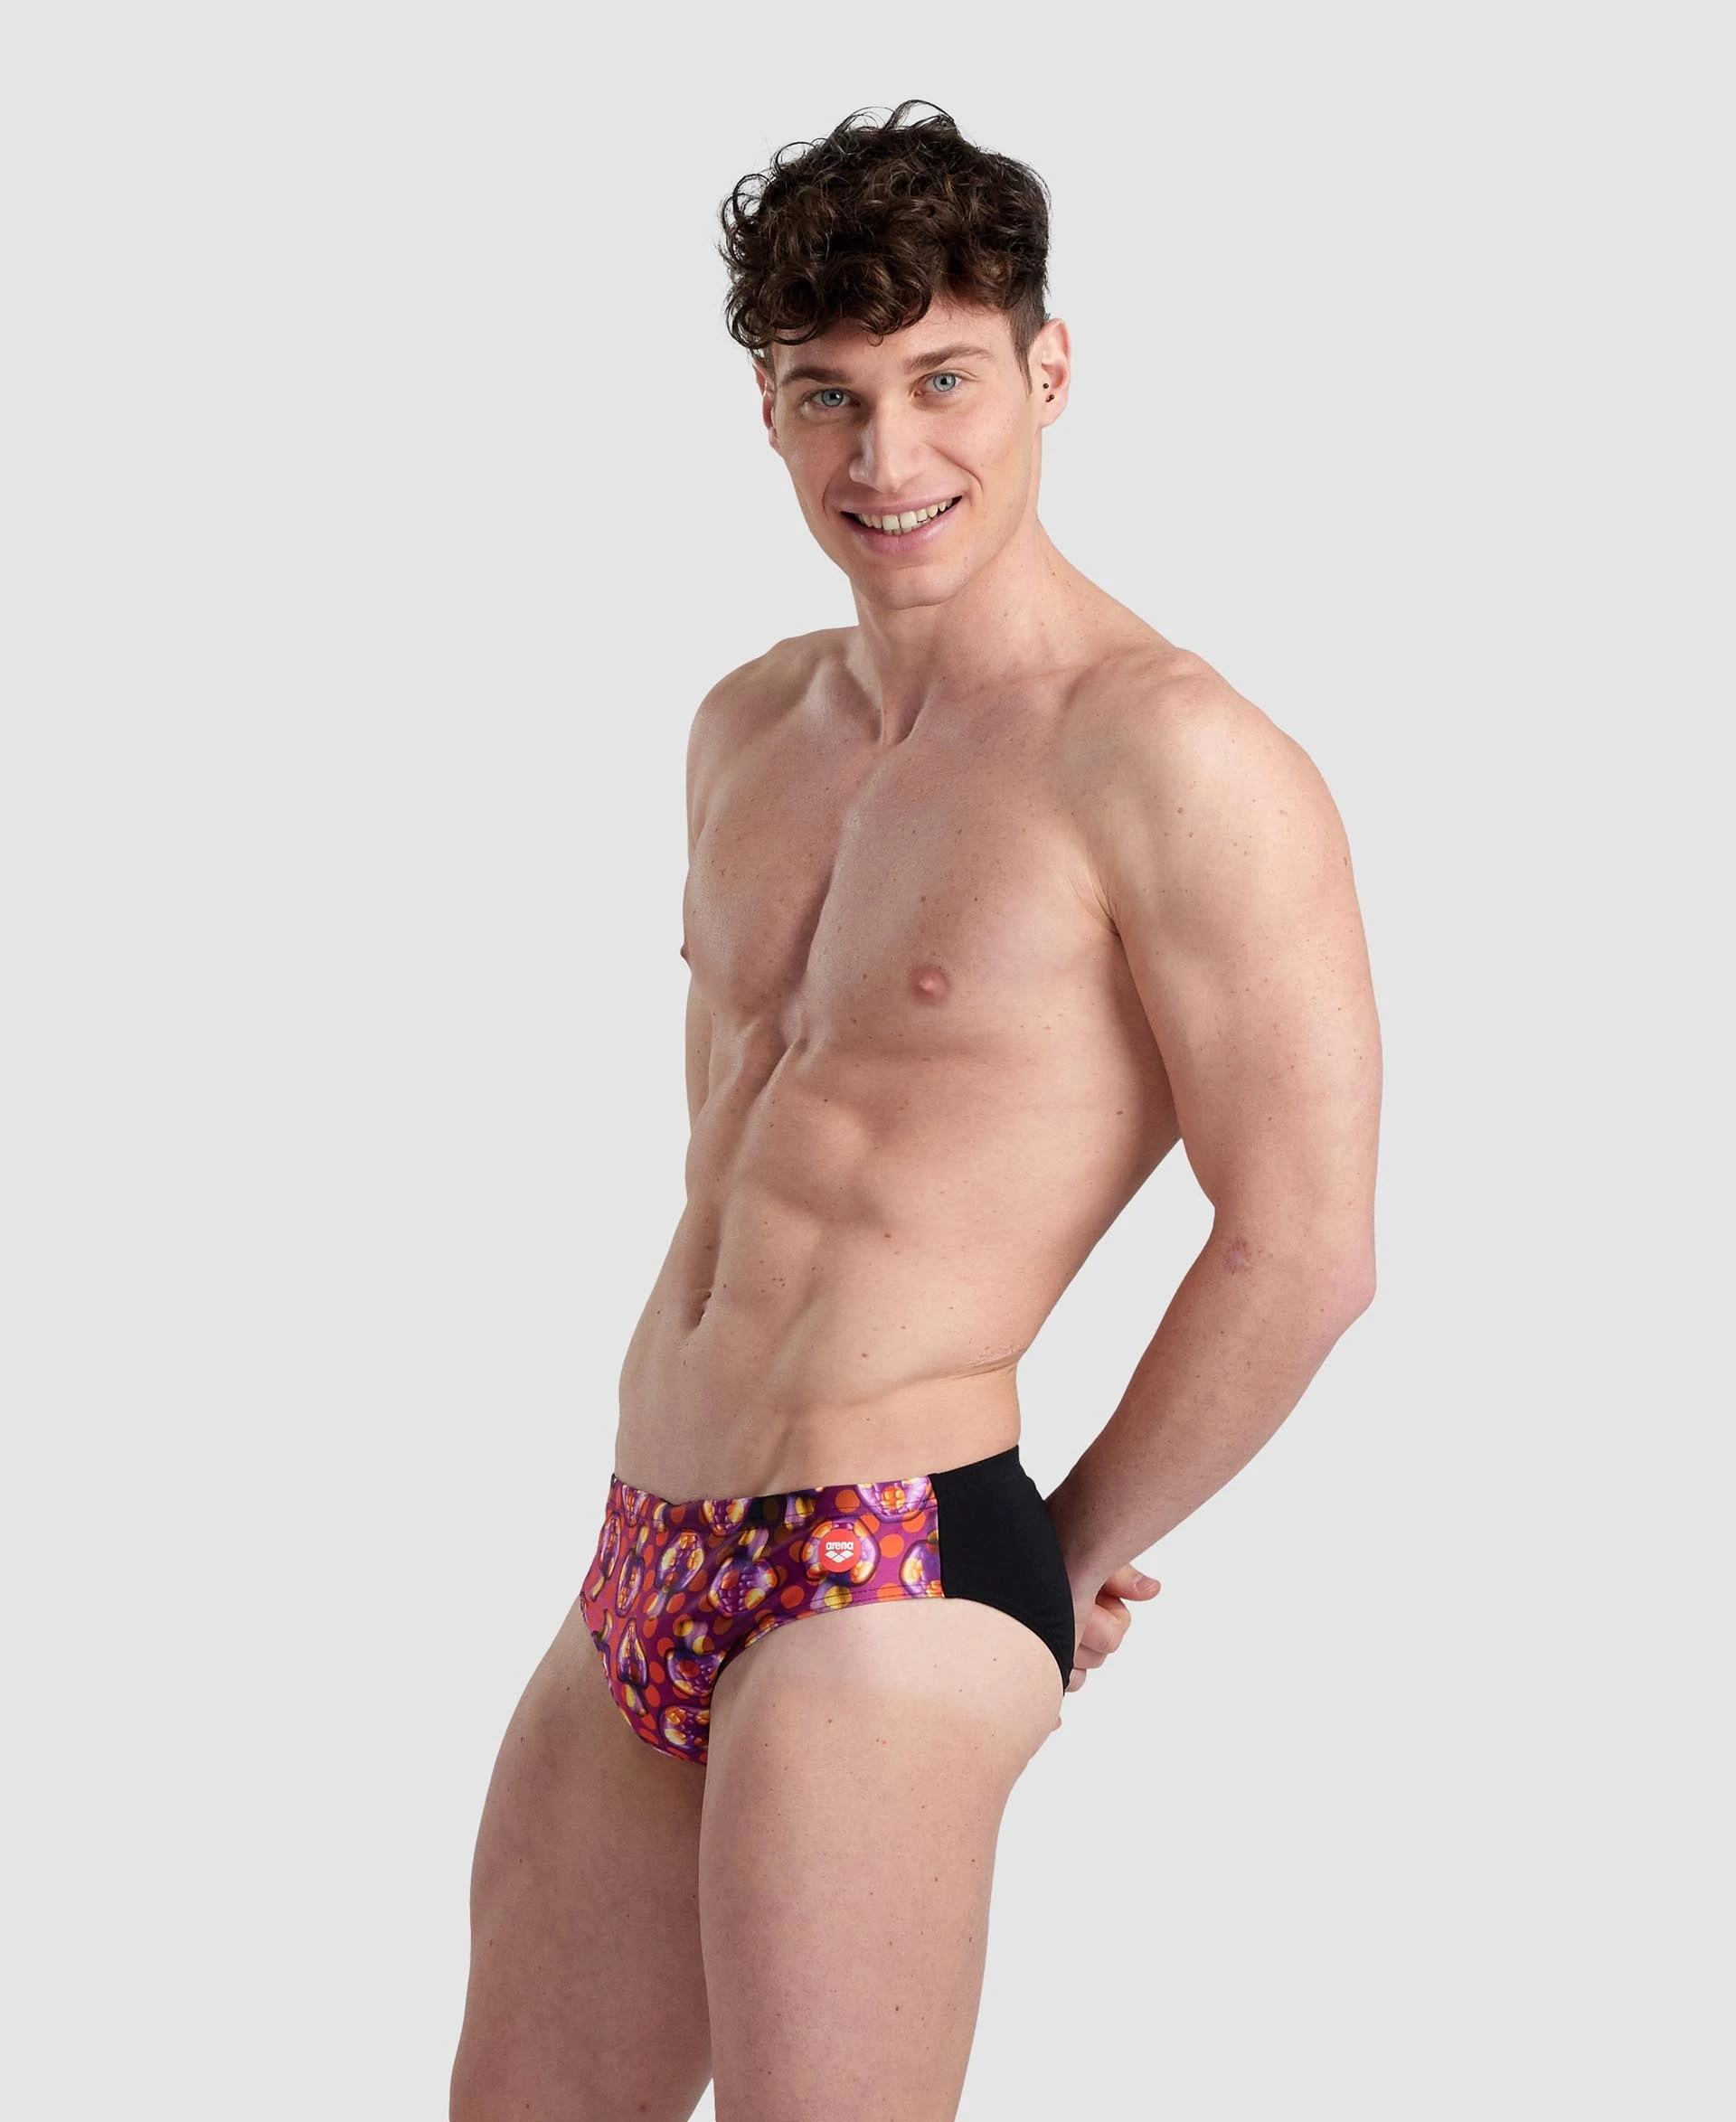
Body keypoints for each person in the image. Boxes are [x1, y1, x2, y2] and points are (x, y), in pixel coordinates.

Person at [449, 99, 1381, 2122]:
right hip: (642, 1542)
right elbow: (741, 1146)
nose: (887, 460)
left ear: (1050, 373)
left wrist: (1057, 1551)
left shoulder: (1175, 757)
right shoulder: (746, 724)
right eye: (830, 398)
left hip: (888, 1561)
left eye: (943, 380)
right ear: (767, 411)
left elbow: (1305, 1242)